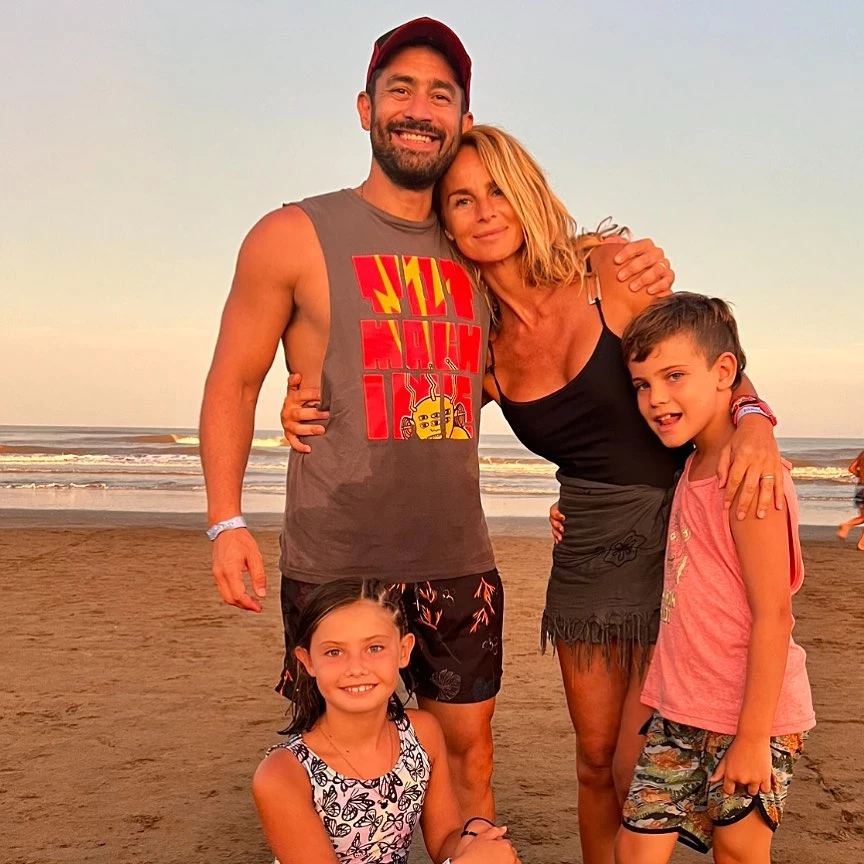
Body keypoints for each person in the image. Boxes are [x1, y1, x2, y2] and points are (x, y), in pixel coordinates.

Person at [200, 16, 673, 821]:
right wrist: (226, 520)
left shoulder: (479, 254)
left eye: (440, 94)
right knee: (347, 760)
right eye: (401, 90)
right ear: (365, 108)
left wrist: (633, 262)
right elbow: (234, 380)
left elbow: (499, 373)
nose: (419, 109)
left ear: (462, 116)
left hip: (458, 558)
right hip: (337, 553)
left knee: (469, 756)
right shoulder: (293, 235)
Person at [282, 126, 783, 864]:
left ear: (528, 196)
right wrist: (301, 402)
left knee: (638, 765)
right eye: (462, 200)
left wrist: (756, 421)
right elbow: (403, 401)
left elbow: (703, 361)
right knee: (594, 762)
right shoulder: (478, 343)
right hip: (586, 558)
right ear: (445, 221)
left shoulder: (607, 274)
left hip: (677, 543)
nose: (485, 211)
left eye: (499, 191)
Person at [615, 294, 815, 863]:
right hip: (680, 710)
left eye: (674, 376)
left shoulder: (749, 477)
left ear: (724, 372)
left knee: (739, 852)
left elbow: (774, 614)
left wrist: (752, 738)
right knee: (634, 849)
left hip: (752, 716)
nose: (656, 398)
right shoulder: (692, 464)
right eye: (642, 385)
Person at [252, 578, 519, 864]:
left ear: (404, 651)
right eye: (334, 652)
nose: (356, 668)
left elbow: (445, 839)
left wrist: (472, 837)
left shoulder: (422, 734)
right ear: (307, 661)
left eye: (375, 648)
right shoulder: (282, 774)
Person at [837, 449, 864, 550]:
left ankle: (862, 544)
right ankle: (847, 525)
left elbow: (851, 468)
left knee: (863, 516)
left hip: (860, 487)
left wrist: (860, 476)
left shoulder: (863, 453)